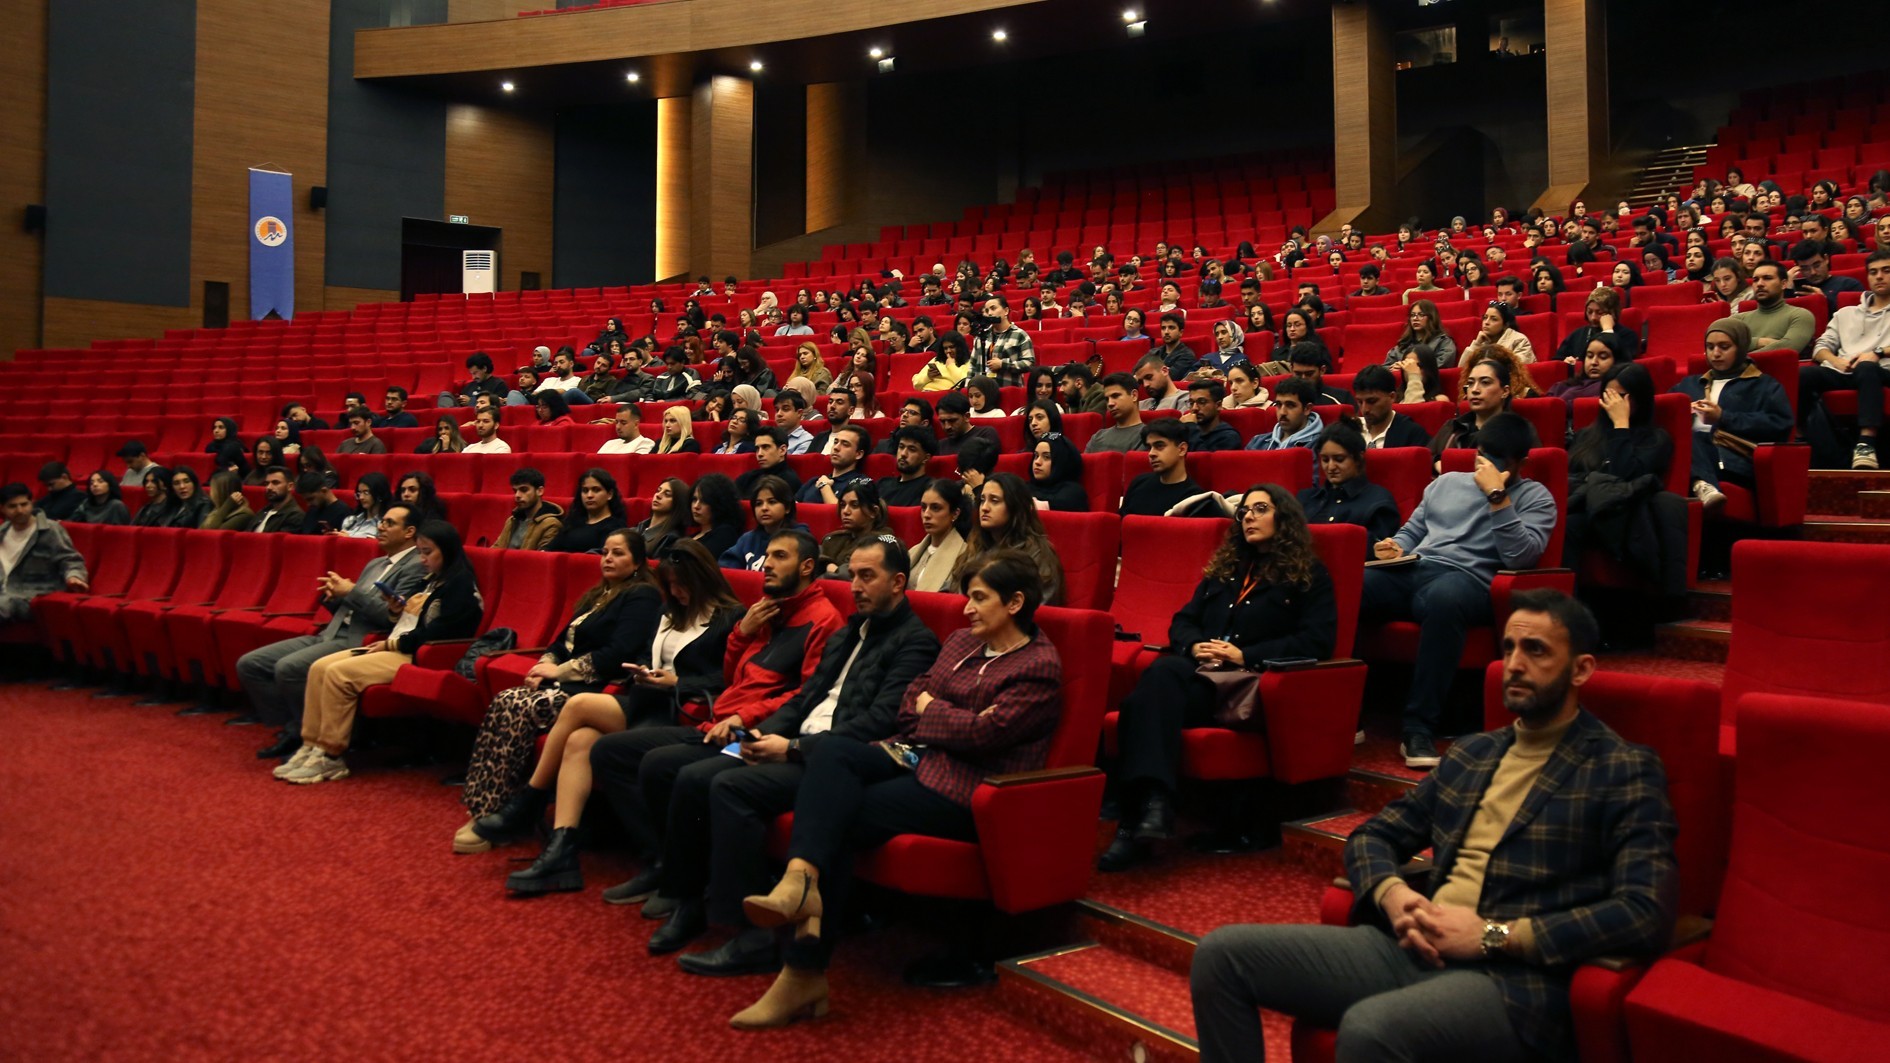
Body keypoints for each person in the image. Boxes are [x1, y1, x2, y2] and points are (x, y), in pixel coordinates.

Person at [1191, 591, 1678, 1063]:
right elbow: (1373, 836)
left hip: (1511, 980)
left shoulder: (1622, 768)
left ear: (1581, 669)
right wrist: (1394, 897)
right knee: (1221, 957)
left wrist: (1493, 935)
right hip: (1413, 946)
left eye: (1536, 650)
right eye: (1509, 647)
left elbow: (1643, 912)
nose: (1514, 664)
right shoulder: (1473, 753)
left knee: (1369, 1030)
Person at [730, 550, 1061, 1028]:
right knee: (833, 751)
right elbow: (909, 707)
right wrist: (945, 715)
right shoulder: (961, 642)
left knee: (841, 815)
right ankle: (800, 881)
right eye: (968, 597)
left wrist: (935, 709)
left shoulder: (1037, 665)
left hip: (971, 790)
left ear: (1014, 603)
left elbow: (984, 736)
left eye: (979, 598)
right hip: (917, 759)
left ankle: (802, 971)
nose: (967, 608)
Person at [524, 532, 842, 898]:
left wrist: (739, 716)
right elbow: (735, 678)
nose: (766, 563)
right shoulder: (766, 610)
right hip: (715, 717)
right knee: (600, 748)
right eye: (767, 555)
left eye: (779, 556)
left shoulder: (820, 619)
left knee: (648, 757)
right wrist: (743, 635)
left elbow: (803, 695)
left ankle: (675, 875)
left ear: (806, 566)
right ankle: (655, 860)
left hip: (742, 726)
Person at [1102, 485, 1337, 870]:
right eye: (1244, 511)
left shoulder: (1308, 574)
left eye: (1260, 509)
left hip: (1249, 685)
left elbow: (1317, 640)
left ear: (1283, 518)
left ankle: (1134, 823)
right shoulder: (1227, 569)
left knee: (1139, 703)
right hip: (1203, 676)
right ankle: (1152, 808)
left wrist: (1246, 654)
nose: (1248, 517)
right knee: (1157, 679)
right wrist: (1195, 646)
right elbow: (1183, 621)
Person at [1362, 413, 1558, 768]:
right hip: (1416, 567)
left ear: (1522, 463)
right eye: (1483, 457)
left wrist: (1497, 496)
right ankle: (1348, 711)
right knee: (1356, 585)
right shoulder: (1447, 482)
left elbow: (1521, 557)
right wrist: (1395, 546)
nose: (1486, 467)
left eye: (1498, 462)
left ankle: (1418, 728)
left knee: (1444, 599)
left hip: (1469, 581)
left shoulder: (1536, 497)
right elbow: (1413, 531)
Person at [453, 529, 665, 854]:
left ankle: (502, 810)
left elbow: (618, 653)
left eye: (618, 553)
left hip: (596, 689)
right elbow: (558, 643)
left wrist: (560, 671)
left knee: (516, 706)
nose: (608, 559)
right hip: (565, 683)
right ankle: (483, 807)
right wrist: (544, 665)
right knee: (505, 700)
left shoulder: (642, 596)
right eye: (605, 552)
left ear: (637, 562)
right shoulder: (597, 595)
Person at [274, 520, 484, 784]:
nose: (422, 559)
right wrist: (396, 610)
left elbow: (441, 632)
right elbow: (409, 620)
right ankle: (312, 745)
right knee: (319, 667)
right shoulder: (430, 579)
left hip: (417, 655)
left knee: (339, 674)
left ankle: (330, 755)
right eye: (420, 552)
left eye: (428, 552)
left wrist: (391, 644)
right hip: (395, 645)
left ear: (448, 550)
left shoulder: (461, 586)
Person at [243, 505, 428, 755]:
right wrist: (334, 597)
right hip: (331, 632)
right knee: (251, 665)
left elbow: (393, 617)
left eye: (389, 523)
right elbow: (354, 604)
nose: (381, 527)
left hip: (361, 640)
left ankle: (304, 734)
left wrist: (351, 591)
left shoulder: (416, 566)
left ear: (409, 532)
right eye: (382, 521)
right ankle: (293, 726)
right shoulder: (375, 563)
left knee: (288, 668)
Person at [1671, 318, 1795, 510]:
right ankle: (1700, 484)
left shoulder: (1764, 385)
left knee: (1692, 439)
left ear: (1741, 348)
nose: (1715, 353)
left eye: (1724, 347)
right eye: (1710, 347)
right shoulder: (1689, 384)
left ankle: (1702, 484)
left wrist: (1723, 417)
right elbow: (1663, 414)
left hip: (1735, 458)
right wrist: (1682, 414)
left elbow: (1780, 425)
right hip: (1692, 455)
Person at [1801, 249, 1890, 469]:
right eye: (1873, 272)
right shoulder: (1846, 313)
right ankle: (1812, 442)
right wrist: (1835, 361)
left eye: (1886, 271)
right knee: (1803, 374)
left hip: (1882, 370)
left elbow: (1873, 359)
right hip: (1844, 370)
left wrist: (1878, 352)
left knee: (1867, 367)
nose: (1879, 276)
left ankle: (1866, 443)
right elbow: (1821, 346)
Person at [952, 473, 1064, 606]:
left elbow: (1035, 606)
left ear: (1015, 507)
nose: (985, 508)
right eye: (982, 500)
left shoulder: (1037, 553)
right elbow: (951, 591)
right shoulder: (976, 546)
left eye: (994, 501)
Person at [1301, 423, 1402, 548]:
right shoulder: (1306, 498)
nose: (1331, 467)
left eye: (1339, 459)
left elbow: (1380, 550)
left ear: (1358, 458)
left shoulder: (1378, 501)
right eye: (1325, 460)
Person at [0, 482, 89, 623]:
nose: (20, 510)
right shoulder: (2, 531)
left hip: (30, 595)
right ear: (2, 508)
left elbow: (70, 559)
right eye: (12, 506)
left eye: (24, 504)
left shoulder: (50, 530)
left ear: (32, 503)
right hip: (3, 594)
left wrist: (74, 577)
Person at [1430, 359, 1516, 467]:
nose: (1475, 390)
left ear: (1505, 391)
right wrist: (1436, 463)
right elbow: (1427, 457)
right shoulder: (1452, 426)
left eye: (1485, 382)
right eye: (1470, 383)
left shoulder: (1516, 431)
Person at [720, 476, 810, 571]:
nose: (764, 508)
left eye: (772, 502)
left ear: (787, 508)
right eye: (759, 504)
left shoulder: (799, 539)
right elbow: (727, 567)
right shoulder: (748, 539)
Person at [1120, 420, 1205, 518]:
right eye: (1149, 447)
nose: (1151, 453)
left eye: (1159, 446)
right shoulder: (1138, 483)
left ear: (1182, 449)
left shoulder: (1194, 499)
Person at [817, 482, 897, 579]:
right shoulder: (833, 539)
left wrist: (831, 568)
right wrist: (828, 565)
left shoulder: (883, 544)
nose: (845, 511)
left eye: (854, 505)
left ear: (873, 511)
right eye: (843, 505)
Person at [1734, 261, 1815, 355]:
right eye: (1755, 280)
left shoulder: (1800, 315)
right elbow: (1720, 345)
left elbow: (1786, 350)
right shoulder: (1738, 320)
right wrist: (1759, 342)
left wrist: (1742, 355)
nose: (1759, 284)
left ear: (1783, 284)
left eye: (1767, 278)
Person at [545, 469, 629, 554]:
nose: (589, 495)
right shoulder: (573, 522)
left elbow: (604, 556)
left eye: (596, 490)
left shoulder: (615, 527)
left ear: (609, 494)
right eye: (585, 490)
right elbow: (549, 550)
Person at [907, 479, 968, 594]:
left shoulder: (965, 557)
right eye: (923, 508)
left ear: (955, 514)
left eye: (935, 508)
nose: (926, 514)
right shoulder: (912, 552)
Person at [1352, 365, 1434, 449]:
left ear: (1392, 397)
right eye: (1360, 402)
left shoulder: (1412, 434)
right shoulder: (1351, 430)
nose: (1365, 409)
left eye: (1372, 401)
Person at [1246, 377, 1325, 464]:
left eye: (1290, 405)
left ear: (1307, 409)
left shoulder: (1321, 446)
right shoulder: (1257, 442)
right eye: (1279, 405)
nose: (1282, 412)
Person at [1548, 330, 1631, 410]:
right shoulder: (1561, 386)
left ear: (1617, 361)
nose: (1594, 362)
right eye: (1590, 356)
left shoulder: (1614, 389)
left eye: (1603, 357)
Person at [495, 468, 564, 551]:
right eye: (515, 491)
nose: (517, 495)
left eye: (524, 490)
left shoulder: (551, 524)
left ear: (540, 491)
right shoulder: (511, 521)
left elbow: (542, 557)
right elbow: (496, 549)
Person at [1385, 300, 1460, 370]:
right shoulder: (1403, 344)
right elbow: (1386, 367)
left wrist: (1408, 368)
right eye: (1412, 315)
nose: (1415, 318)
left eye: (1421, 315)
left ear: (1431, 317)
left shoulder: (1443, 342)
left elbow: (1443, 364)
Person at [875, 427, 938, 508]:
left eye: (912, 449)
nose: (903, 454)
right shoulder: (882, 484)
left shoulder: (930, 489)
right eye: (901, 447)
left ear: (926, 458)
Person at [1459, 302, 1537, 366]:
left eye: (1494, 319)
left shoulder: (1520, 340)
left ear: (1505, 325)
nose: (1486, 322)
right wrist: (1476, 344)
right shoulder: (1481, 342)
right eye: (1485, 318)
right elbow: (1461, 369)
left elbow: (1517, 369)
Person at [1027, 433, 1089, 512]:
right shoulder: (1024, 488)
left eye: (1046, 457)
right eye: (1036, 456)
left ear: (1061, 462)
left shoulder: (1073, 494)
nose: (1037, 462)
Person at [932, 392, 1000, 457]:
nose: (947, 427)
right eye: (942, 421)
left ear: (967, 417)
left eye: (952, 420)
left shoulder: (985, 434)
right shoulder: (940, 445)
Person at [1183, 380, 1244, 452]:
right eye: (1191, 403)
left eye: (1202, 402)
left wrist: (1191, 428)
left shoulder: (1229, 437)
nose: (1194, 408)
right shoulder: (1186, 430)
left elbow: (1204, 458)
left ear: (1218, 405)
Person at [246, 467, 304, 534]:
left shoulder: (295, 516)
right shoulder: (264, 511)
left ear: (290, 486)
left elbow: (278, 540)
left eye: (275, 483)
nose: (269, 487)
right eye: (267, 483)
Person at [338, 472, 390, 538]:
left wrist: (349, 539)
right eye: (359, 493)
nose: (361, 497)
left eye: (366, 492)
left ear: (379, 494)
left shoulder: (385, 525)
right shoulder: (350, 521)